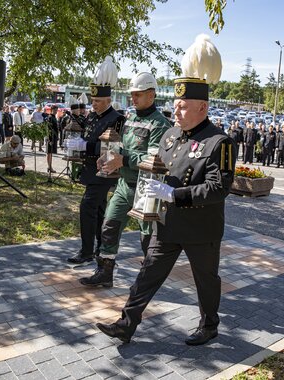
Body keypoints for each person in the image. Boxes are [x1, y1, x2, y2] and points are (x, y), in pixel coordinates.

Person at [96, 34, 236, 345]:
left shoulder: (220, 142)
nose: (177, 112)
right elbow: (154, 169)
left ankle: (209, 325)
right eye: (175, 105)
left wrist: (174, 194)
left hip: (201, 228)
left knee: (206, 282)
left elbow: (218, 188)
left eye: (183, 107)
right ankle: (126, 323)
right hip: (168, 224)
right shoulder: (171, 136)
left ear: (202, 107)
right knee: (147, 274)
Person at [78, 72, 171, 288]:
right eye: (132, 95)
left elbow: (154, 159)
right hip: (124, 185)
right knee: (109, 225)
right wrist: (108, 155)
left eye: (138, 94)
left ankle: (146, 280)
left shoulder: (160, 124)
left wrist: (123, 159)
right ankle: (104, 271)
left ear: (151, 94)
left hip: (146, 188)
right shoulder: (130, 118)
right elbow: (122, 146)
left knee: (147, 237)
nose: (133, 99)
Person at [66, 57, 126, 265]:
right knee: (99, 210)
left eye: (97, 101)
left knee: (87, 207)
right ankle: (101, 248)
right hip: (90, 169)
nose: (93, 104)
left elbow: (114, 148)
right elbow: (89, 135)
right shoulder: (93, 116)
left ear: (108, 101)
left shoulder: (117, 119)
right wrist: (79, 144)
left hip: (104, 171)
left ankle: (86, 251)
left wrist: (85, 146)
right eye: (92, 101)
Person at [46, 104, 59, 173]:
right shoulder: (50, 117)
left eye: (56, 110)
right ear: (52, 110)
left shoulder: (54, 117)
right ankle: (50, 167)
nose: (56, 111)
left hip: (54, 137)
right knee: (49, 153)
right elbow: (49, 129)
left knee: (50, 153)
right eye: (55, 110)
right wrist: (50, 139)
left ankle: (50, 167)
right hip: (51, 138)